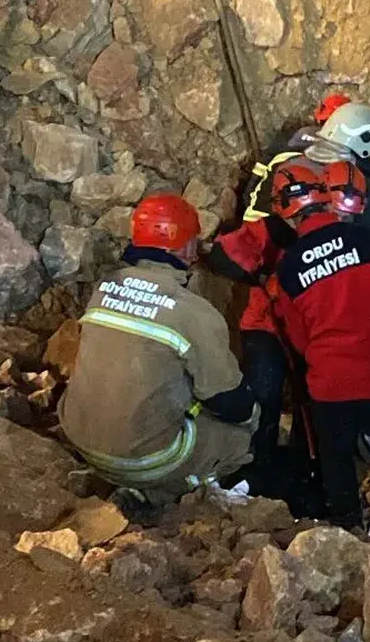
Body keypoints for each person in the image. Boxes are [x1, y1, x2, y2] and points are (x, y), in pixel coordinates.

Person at [208, 97, 370, 478]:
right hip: (308, 320)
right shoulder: (359, 187)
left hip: (289, 316)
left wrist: (263, 275)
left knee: (276, 394)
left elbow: (233, 243)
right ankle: (299, 478)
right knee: (309, 401)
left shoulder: (287, 166)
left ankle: (266, 475)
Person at [267, 159, 370, 529]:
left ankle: (346, 524)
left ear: (284, 213)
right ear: (327, 195)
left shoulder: (287, 269)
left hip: (332, 387)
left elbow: (298, 337)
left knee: (334, 454)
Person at [60, 195, 258, 508]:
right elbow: (230, 404)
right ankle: (177, 490)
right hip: (144, 458)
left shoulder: (104, 288)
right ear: (185, 246)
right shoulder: (194, 312)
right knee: (242, 431)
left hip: (80, 438)